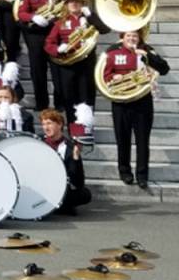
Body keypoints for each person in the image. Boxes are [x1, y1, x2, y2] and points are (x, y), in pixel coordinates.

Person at [102, 30, 171, 188]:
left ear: (139, 38)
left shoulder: (146, 51)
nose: (131, 38)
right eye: (128, 35)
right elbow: (104, 76)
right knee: (122, 139)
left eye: (135, 36)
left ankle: (142, 175)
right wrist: (113, 78)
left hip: (142, 102)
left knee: (142, 141)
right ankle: (125, 172)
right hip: (121, 102)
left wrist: (147, 55)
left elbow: (164, 69)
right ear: (122, 38)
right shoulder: (113, 52)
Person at [40, 108, 91, 214]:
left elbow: (78, 182)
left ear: (59, 124)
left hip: (60, 188)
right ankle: (60, 207)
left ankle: (57, 206)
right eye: (43, 124)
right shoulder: (38, 143)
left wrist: (76, 156)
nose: (46, 127)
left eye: (49, 123)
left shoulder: (70, 147)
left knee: (85, 194)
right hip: (41, 187)